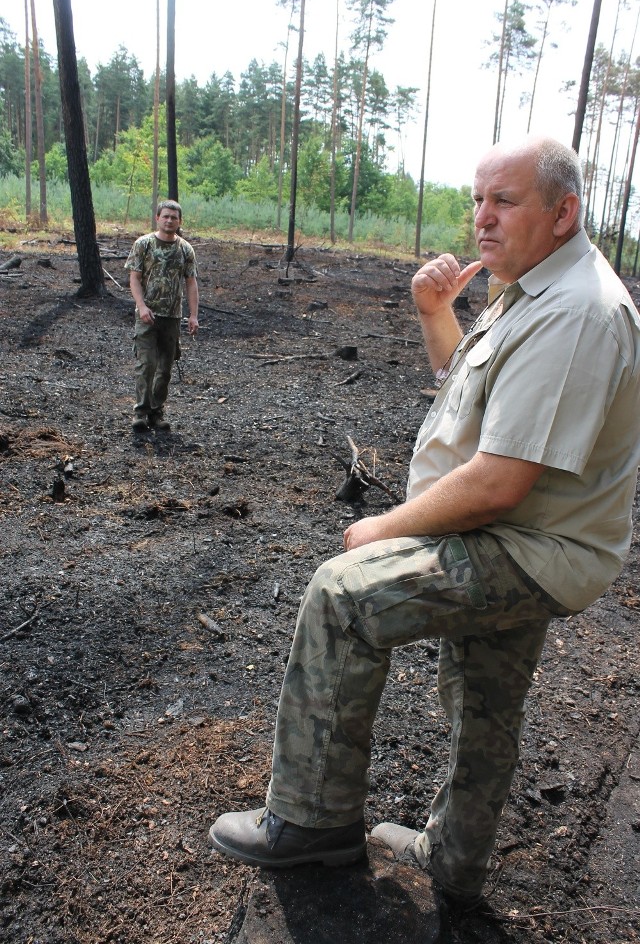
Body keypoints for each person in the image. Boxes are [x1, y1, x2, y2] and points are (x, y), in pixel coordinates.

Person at [208, 137, 640, 908]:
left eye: (503, 201)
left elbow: (500, 481)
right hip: (529, 537)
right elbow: (469, 399)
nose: (481, 219)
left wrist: (387, 527)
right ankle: (455, 859)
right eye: (478, 199)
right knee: (484, 696)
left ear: (563, 212)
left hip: (527, 544)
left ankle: (311, 824)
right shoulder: (535, 287)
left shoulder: (577, 311)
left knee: (344, 594)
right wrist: (436, 313)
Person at [126, 200, 199, 432]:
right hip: (147, 314)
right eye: (165, 216)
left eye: (174, 217)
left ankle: (156, 412)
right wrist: (141, 306)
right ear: (157, 218)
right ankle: (141, 412)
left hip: (172, 317)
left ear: (180, 221)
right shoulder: (143, 244)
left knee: (165, 368)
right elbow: (134, 278)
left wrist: (193, 315)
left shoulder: (185, 249)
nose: (169, 220)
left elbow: (191, 282)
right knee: (146, 364)